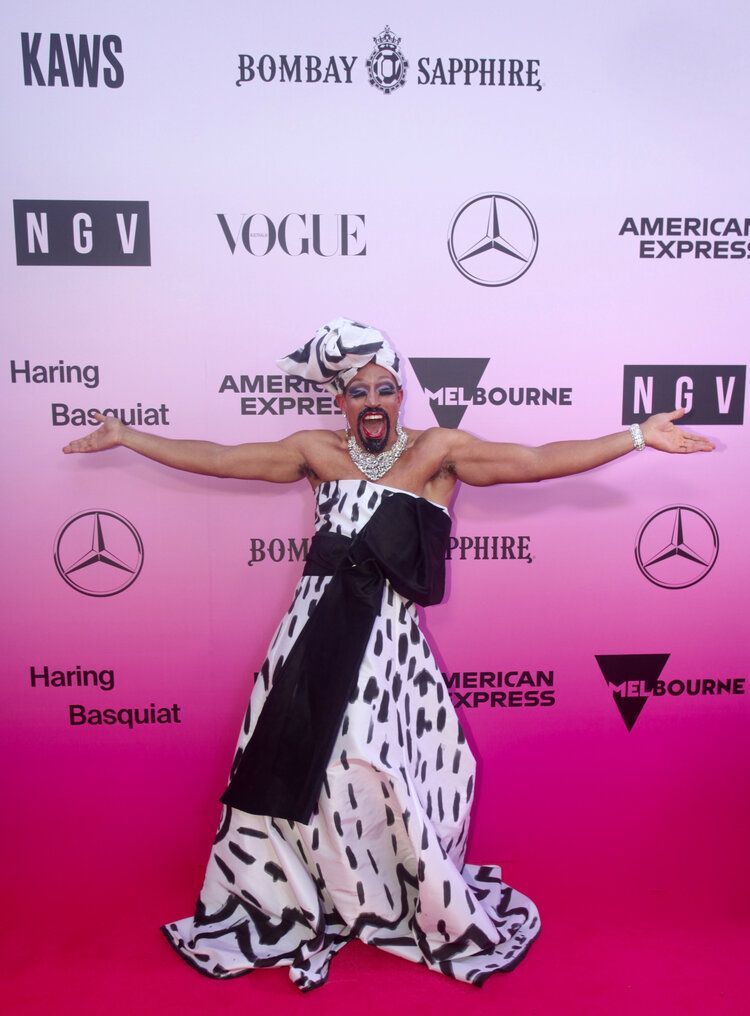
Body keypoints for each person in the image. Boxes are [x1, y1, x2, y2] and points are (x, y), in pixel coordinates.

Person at [62, 317, 715, 991]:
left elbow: (533, 461)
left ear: (400, 395)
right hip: (310, 637)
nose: (371, 400)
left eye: (383, 389)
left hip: (389, 651)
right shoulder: (316, 452)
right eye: (357, 391)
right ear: (340, 401)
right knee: (311, 768)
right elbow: (221, 458)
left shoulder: (437, 452)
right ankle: (311, 891)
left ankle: (385, 892)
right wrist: (128, 437)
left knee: (379, 764)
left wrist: (638, 435)